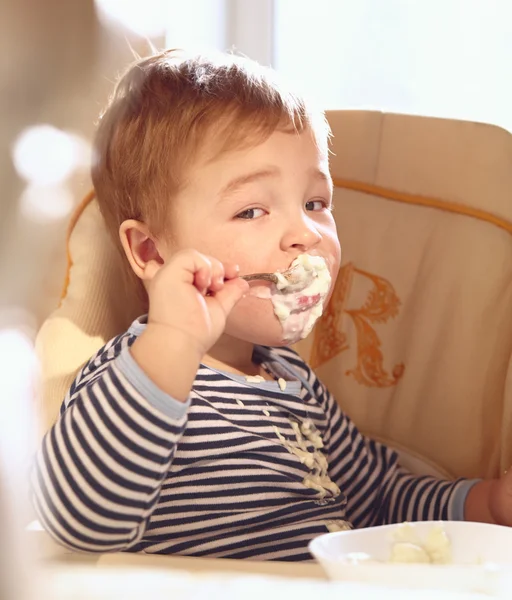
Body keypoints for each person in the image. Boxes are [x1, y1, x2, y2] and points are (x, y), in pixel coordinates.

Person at [30, 49, 512, 561]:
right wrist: (174, 339)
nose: (305, 233)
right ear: (151, 251)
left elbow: (375, 503)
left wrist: (484, 503)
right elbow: (74, 517)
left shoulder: (294, 381)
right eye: (252, 210)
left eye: (315, 203)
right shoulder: (139, 374)